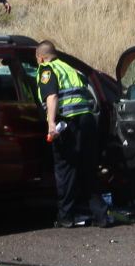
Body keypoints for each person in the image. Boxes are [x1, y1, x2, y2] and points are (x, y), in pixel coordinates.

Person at [36, 40, 102, 228]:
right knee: (88, 168)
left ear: (40, 57)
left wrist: (50, 123)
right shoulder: (69, 68)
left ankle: (66, 216)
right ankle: (100, 214)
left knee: (65, 169)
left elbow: (52, 96)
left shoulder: (46, 70)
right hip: (87, 120)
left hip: (68, 123)